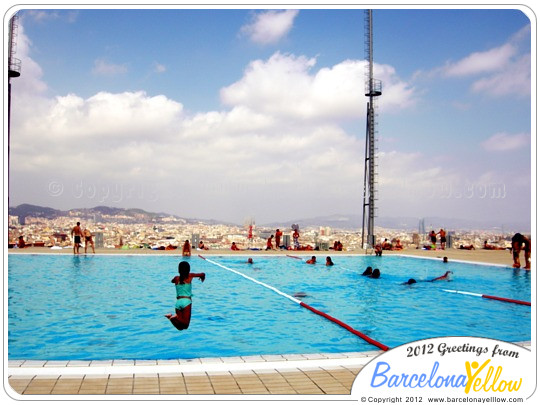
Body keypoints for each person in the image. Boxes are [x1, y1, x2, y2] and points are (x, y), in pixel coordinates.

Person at [165, 261, 205, 331]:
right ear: (188, 270)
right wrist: (202, 277)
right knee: (185, 325)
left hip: (178, 302)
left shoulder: (176, 278)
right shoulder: (190, 276)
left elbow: (172, 281)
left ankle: (171, 317)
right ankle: (175, 317)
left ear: (178, 270)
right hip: (186, 301)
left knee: (180, 327)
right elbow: (202, 274)